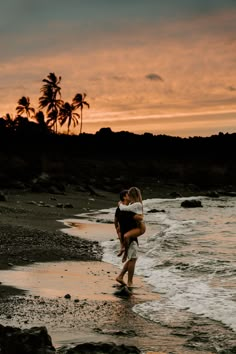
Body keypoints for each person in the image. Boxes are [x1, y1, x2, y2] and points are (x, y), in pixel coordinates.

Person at [115, 187, 146, 288]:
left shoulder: (121, 209)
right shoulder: (126, 209)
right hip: (131, 234)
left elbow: (117, 225)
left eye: (129, 194)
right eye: (127, 194)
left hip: (131, 233)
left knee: (132, 258)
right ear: (125, 197)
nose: (129, 196)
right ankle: (129, 282)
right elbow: (138, 217)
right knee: (133, 258)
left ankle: (121, 276)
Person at [118, 186, 146, 262]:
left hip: (141, 228)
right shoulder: (132, 203)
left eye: (129, 195)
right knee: (123, 234)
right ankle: (123, 248)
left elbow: (124, 208)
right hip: (136, 226)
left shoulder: (137, 204)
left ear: (132, 196)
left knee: (126, 236)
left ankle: (126, 253)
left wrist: (120, 204)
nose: (128, 196)